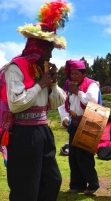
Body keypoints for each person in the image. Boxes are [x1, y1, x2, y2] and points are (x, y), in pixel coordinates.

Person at [1, 1, 70, 201]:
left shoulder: (43, 70)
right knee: (26, 188)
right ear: (38, 48)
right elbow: (15, 104)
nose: (50, 54)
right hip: (24, 133)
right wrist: (40, 85)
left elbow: (56, 103)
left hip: (43, 131)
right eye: (48, 49)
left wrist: (53, 84)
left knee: (53, 180)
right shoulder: (15, 67)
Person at [59, 59, 100, 195]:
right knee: (73, 155)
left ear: (84, 74)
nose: (74, 77)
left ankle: (93, 184)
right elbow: (64, 104)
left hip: (89, 123)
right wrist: (65, 118)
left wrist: (78, 92)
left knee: (84, 156)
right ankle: (77, 185)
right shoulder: (68, 86)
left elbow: (92, 101)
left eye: (77, 74)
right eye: (72, 74)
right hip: (75, 124)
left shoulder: (91, 84)